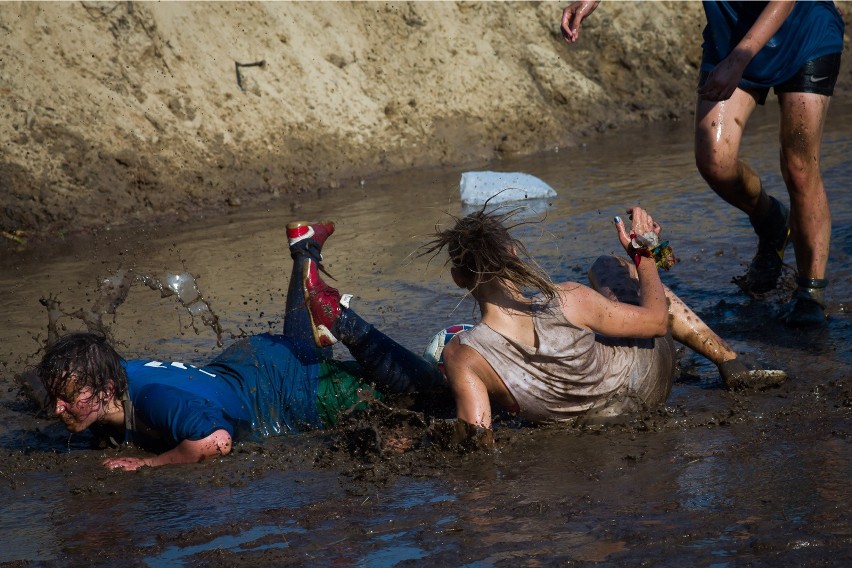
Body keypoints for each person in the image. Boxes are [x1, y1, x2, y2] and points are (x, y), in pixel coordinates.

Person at [36, 221, 445, 470]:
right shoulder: (116, 372)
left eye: (67, 398)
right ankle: (305, 251)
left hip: (298, 393)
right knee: (303, 352)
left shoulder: (152, 400)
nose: (56, 408)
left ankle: (336, 313)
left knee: (426, 393)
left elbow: (216, 442)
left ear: (107, 389)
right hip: (253, 366)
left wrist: (149, 463)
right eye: (56, 396)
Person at [560, 1, 844, 326]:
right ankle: (773, 222)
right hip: (731, 33)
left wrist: (740, 58)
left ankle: (811, 292)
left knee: (800, 166)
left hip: (804, 31)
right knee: (714, 160)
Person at [412, 206, 785, 433]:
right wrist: (646, 252)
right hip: (647, 384)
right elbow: (656, 322)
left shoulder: (463, 355)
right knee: (607, 266)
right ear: (514, 254)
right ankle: (727, 360)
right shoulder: (570, 298)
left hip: (587, 423)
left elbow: (477, 438)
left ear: (459, 278)